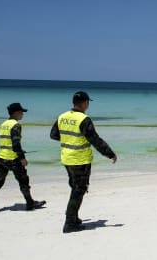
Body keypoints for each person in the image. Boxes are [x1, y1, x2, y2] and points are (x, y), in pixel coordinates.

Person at [50, 91, 117, 233]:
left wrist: (69, 140)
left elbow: (54, 135)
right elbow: (95, 140)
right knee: (78, 190)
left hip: (66, 158)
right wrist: (110, 154)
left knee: (75, 188)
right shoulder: (84, 119)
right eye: (88, 102)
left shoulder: (62, 116)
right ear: (85, 103)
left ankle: (74, 218)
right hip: (80, 160)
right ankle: (69, 223)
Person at [0, 103, 46, 215]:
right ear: (15, 113)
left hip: (1, 157)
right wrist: (22, 158)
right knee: (23, 181)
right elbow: (15, 144)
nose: (22, 114)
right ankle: (30, 203)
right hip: (13, 159)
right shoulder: (15, 125)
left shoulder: (3, 124)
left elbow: (7, 142)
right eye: (21, 112)